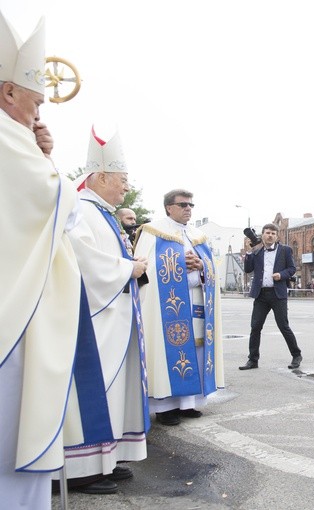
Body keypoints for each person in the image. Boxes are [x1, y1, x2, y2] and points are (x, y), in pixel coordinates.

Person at [0, 12, 84, 509]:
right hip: (16, 313)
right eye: (35, 100)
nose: (40, 112)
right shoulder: (9, 139)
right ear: (9, 92)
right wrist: (47, 159)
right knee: (14, 427)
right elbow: (58, 208)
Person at [60, 128, 151, 494]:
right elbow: (82, 260)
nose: (126, 188)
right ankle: (80, 469)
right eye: (122, 180)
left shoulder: (102, 212)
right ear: (100, 177)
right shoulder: (81, 210)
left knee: (111, 393)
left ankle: (105, 459)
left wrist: (129, 265)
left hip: (112, 321)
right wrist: (128, 268)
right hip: (90, 323)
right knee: (90, 393)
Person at [133, 189, 225, 426]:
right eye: (183, 204)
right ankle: (165, 406)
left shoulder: (198, 235)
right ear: (168, 208)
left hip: (196, 299)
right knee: (167, 354)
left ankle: (188, 402)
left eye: (191, 205)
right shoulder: (153, 232)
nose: (188, 209)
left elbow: (212, 268)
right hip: (166, 306)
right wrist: (177, 262)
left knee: (196, 349)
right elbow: (143, 268)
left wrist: (202, 265)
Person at [239, 223, 302, 370]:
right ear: (262, 235)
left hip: (277, 294)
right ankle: (253, 360)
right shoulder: (257, 251)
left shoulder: (285, 250)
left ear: (277, 236)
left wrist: (281, 275)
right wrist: (249, 252)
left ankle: (296, 355)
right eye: (267, 233)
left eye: (273, 233)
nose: (270, 235)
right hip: (261, 295)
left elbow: (292, 269)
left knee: (283, 326)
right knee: (255, 327)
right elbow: (248, 269)